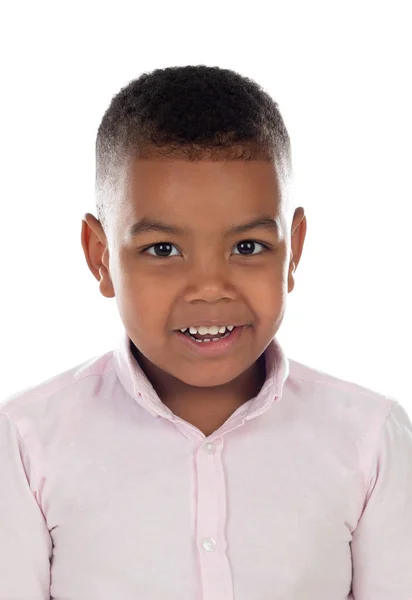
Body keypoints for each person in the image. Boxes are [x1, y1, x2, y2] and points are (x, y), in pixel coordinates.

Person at [1, 65, 411, 600]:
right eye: (162, 250)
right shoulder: (26, 444)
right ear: (101, 258)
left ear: (294, 249)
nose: (210, 289)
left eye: (247, 247)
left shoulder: (369, 439)